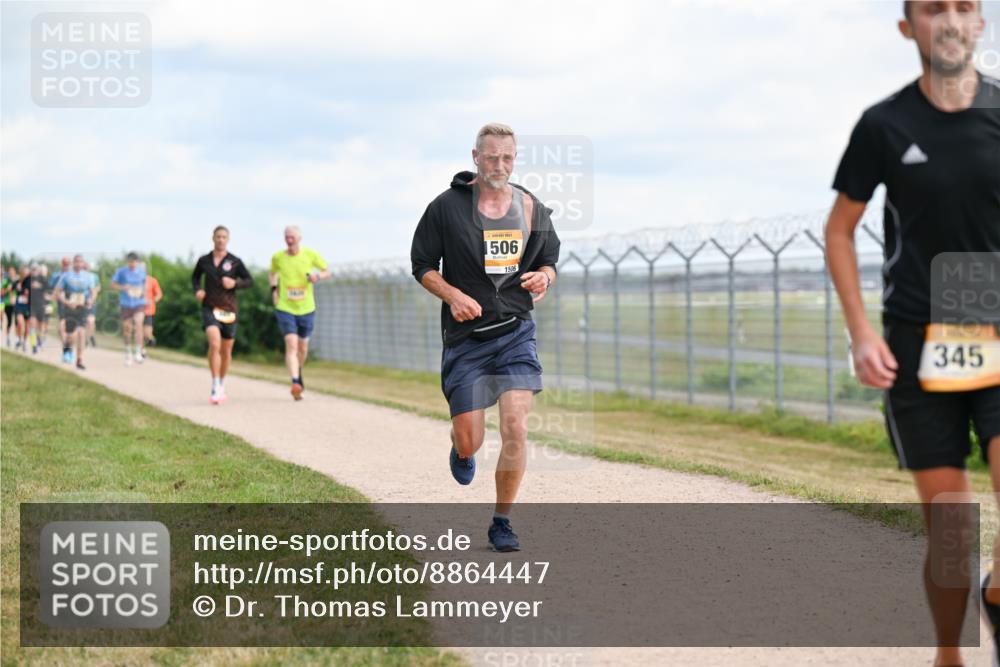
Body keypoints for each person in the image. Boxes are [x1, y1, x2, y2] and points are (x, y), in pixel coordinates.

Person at [825, 2, 999, 664]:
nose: (950, 19)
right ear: (909, 29)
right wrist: (862, 332)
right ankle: (949, 654)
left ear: (981, 24)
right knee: (953, 529)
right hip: (917, 340)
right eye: (933, 8)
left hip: (997, 325)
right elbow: (839, 229)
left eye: (964, 7)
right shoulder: (884, 124)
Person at [410, 123, 560, 552]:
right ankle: (462, 450)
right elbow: (422, 263)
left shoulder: (531, 207)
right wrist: (453, 294)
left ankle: (502, 522)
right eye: (491, 157)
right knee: (470, 437)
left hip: (515, 332)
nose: (500, 165)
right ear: (475, 158)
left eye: (507, 158)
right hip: (466, 339)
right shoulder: (446, 207)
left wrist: (543, 278)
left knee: (515, 425)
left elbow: (550, 260)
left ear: (515, 159)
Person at [192, 225, 254, 404]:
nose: (220, 240)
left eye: (224, 237)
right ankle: (215, 384)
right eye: (218, 236)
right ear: (213, 238)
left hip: (229, 309)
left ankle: (222, 382)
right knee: (214, 343)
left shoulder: (235, 261)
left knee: (226, 351)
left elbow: (249, 281)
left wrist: (234, 283)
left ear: (228, 239)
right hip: (209, 307)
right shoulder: (204, 260)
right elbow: (195, 278)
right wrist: (198, 290)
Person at [269, 226, 329, 400]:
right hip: (285, 307)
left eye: (292, 236)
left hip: (306, 308)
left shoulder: (310, 255)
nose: (289, 240)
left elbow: (326, 271)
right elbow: (272, 274)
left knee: (302, 347)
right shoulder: (278, 257)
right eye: (286, 237)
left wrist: (317, 276)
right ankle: (295, 381)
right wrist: (274, 290)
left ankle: (298, 371)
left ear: (299, 238)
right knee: (292, 344)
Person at [54, 255, 96, 370]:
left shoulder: (88, 277)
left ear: (83, 264)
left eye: (80, 262)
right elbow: (57, 293)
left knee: (82, 333)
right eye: (76, 262)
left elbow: (93, 292)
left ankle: (79, 359)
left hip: (82, 308)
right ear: (73, 263)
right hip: (70, 309)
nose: (78, 264)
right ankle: (67, 350)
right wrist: (67, 302)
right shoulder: (66, 276)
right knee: (70, 336)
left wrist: (90, 301)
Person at [111, 252, 147, 366]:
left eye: (134, 261)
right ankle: (128, 353)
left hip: (138, 303)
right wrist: (122, 287)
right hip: (126, 303)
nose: (132, 264)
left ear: (137, 261)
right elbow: (112, 285)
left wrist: (143, 293)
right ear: (127, 261)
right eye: (130, 261)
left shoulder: (142, 272)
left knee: (138, 324)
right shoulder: (121, 271)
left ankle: (138, 352)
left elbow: (145, 284)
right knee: (127, 328)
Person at [27, 264, 51, 354]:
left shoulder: (43, 279)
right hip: (32, 306)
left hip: (41, 306)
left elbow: (49, 289)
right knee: (32, 325)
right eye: (32, 269)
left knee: (41, 326)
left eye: (36, 269)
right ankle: (34, 345)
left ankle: (39, 339)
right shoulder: (28, 280)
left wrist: (40, 285)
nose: (34, 271)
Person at [141, 269, 163, 359]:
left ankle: (150, 340)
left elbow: (159, 294)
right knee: (139, 331)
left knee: (147, 334)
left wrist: (152, 301)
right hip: (137, 310)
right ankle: (141, 351)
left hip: (149, 311)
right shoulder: (134, 280)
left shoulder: (152, 281)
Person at [50, 257, 71, 346]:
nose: (66, 265)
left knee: (70, 325)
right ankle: (65, 346)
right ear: (62, 264)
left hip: (72, 301)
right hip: (62, 300)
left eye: (68, 263)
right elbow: (51, 286)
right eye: (64, 263)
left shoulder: (73, 275)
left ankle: (67, 342)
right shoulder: (56, 275)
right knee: (62, 323)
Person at [12, 266, 31, 351]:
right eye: (24, 273)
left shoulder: (30, 282)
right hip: (19, 305)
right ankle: (19, 339)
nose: (25, 275)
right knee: (20, 323)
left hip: (28, 306)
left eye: (27, 273)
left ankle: (24, 341)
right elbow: (11, 289)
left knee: (27, 326)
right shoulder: (17, 282)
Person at [2, 265, 16, 347]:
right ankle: (7, 337)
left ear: (14, 272)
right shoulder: (5, 281)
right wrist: (8, 289)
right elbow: (1, 292)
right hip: (6, 303)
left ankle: (11, 338)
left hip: (15, 304)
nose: (11, 273)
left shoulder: (17, 281)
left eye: (12, 272)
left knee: (11, 322)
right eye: (9, 272)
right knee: (6, 320)